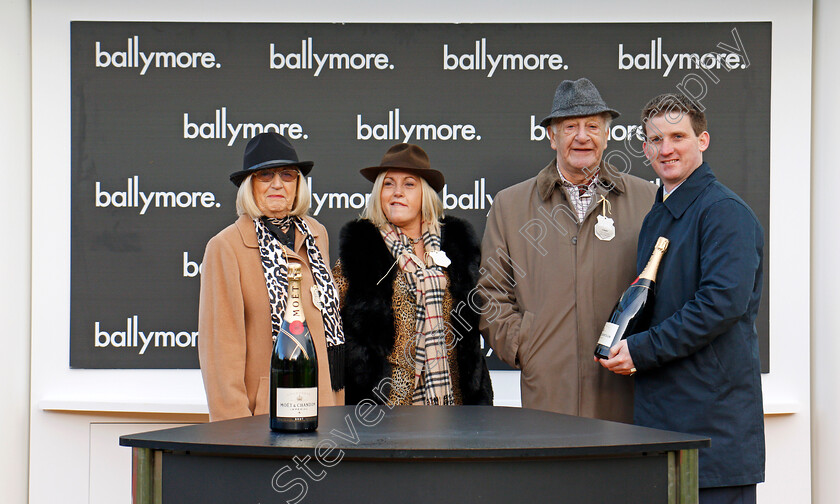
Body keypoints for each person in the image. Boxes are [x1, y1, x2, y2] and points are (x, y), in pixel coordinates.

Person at [599, 93, 765, 502]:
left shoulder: (724, 211)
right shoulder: (660, 213)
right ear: (644, 148)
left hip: (712, 434)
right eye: (655, 140)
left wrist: (640, 349)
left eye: (678, 136)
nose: (666, 148)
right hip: (668, 427)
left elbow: (720, 305)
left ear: (703, 140)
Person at [479, 78, 656, 422]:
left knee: (615, 474)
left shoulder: (647, 199)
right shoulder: (510, 204)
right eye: (570, 126)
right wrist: (525, 347)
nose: (582, 136)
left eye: (592, 126)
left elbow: (664, 289)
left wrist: (641, 351)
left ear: (607, 135)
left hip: (623, 388)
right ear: (552, 136)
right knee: (549, 475)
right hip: (546, 388)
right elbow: (490, 293)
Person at [198, 132, 344, 421]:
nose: (278, 184)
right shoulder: (226, 247)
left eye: (288, 175)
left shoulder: (316, 235)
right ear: (248, 185)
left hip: (326, 410)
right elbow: (221, 356)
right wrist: (235, 434)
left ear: (298, 184)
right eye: (265, 175)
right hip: (265, 419)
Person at [333, 143, 493, 406]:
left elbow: (480, 314)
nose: (397, 193)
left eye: (408, 184)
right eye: (388, 184)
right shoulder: (362, 249)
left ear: (424, 194)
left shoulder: (457, 244)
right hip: (383, 407)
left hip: (453, 401)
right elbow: (327, 318)